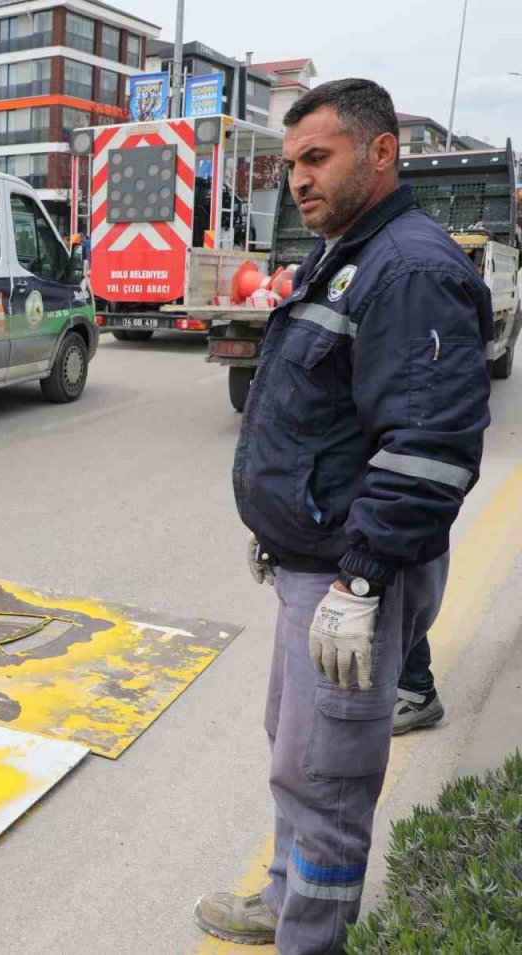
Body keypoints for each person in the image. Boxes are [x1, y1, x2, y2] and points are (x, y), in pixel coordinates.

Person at [195, 79, 492, 954]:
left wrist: (359, 582)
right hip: (316, 565)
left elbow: (429, 449)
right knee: (296, 754)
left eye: (317, 158)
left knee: (327, 777)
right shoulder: (353, 252)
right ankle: (284, 899)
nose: (298, 179)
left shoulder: (410, 269)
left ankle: (311, 936)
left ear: (381, 152)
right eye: (291, 163)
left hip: (349, 574)